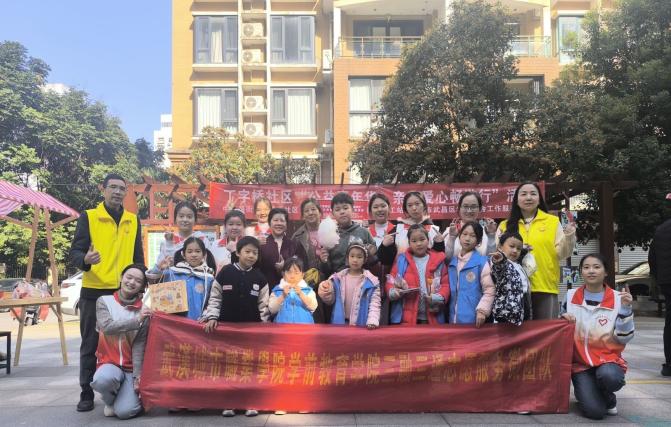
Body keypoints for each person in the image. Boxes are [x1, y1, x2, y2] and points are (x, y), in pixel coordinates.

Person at [69, 173, 144, 412]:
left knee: (130, 341)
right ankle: (86, 392)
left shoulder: (133, 219)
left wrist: (142, 283)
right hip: (95, 291)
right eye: (113, 187)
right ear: (103, 190)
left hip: (125, 293)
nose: (117, 192)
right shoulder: (89, 217)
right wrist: (86, 259)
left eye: (122, 188)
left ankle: (125, 387)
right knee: (91, 343)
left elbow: (138, 257)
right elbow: (75, 253)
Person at [200, 236, 269, 418]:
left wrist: (264, 327)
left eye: (255, 253)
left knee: (249, 367)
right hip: (226, 331)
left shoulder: (260, 278)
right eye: (247, 251)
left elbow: (264, 306)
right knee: (228, 366)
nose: (251, 256)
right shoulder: (225, 272)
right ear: (238, 252)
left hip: (251, 333)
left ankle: (250, 402)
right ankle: (229, 402)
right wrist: (212, 316)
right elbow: (215, 297)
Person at [561, 253, 635, 420]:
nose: (591, 271)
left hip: (608, 361)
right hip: (580, 364)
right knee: (595, 412)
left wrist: (626, 309)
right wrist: (563, 318)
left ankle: (607, 396)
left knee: (610, 377)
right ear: (581, 272)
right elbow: (560, 329)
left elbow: (624, 338)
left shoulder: (618, 299)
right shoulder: (570, 296)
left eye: (596, 267)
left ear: (606, 271)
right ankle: (593, 394)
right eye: (586, 267)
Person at [496, 182, 576, 319]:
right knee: (515, 331)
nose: (528, 197)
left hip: (544, 286)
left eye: (533, 194)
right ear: (516, 200)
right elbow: (499, 256)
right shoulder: (505, 226)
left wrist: (569, 236)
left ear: (539, 199)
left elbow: (562, 253)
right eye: (523, 194)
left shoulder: (552, 222)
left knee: (546, 330)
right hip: (512, 289)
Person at [91, 264, 151, 420]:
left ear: (142, 287)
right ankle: (110, 401)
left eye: (138, 281)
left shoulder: (144, 310)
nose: (132, 282)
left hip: (130, 369)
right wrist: (137, 320)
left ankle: (129, 398)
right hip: (108, 363)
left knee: (125, 412)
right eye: (129, 277)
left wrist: (138, 376)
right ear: (121, 278)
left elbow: (139, 346)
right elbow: (107, 327)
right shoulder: (104, 301)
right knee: (102, 380)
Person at [387, 224, 449, 325]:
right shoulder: (401, 260)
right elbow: (391, 280)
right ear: (409, 243)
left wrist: (438, 297)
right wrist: (393, 292)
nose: (419, 244)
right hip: (406, 318)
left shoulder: (439, 260)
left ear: (428, 240)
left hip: (433, 316)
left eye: (422, 239)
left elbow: (445, 284)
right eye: (414, 241)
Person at [150, 236, 217, 321]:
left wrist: (207, 315)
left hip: (197, 323)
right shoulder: (173, 272)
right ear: (183, 254)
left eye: (197, 251)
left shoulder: (209, 278)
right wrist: (158, 268)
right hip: (172, 323)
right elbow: (152, 281)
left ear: (204, 254)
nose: (194, 255)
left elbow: (213, 301)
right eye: (189, 251)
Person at [318, 243, 381, 328]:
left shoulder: (372, 282)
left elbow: (374, 304)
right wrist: (325, 290)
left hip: (361, 327)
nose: (355, 260)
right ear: (347, 258)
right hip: (339, 326)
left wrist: (372, 321)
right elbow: (330, 301)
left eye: (359, 257)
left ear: (364, 260)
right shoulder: (337, 279)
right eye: (352, 256)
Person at [447, 221, 495, 327]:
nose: (467, 238)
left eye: (473, 236)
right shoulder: (453, 263)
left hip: (474, 320)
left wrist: (482, 310)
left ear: (479, 241)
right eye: (464, 234)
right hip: (452, 319)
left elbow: (490, 290)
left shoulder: (481, 262)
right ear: (459, 236)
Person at [319, 192, 377, 276]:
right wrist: (324, 261)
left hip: (360, 279)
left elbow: (374, 260)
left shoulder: (364, 232)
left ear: (353, 209)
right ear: (333, 214)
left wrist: (370, 253)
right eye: (337, 209)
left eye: (345, 208)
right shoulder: (329, 234)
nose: (342, 212)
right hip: (337, 280)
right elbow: (326, 270)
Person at [292, 198, 328, 323]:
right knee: (313, 317)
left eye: (313, 209)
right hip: (308, 283)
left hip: (329, 278)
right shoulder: (297, 236)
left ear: (320, 212)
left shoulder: (331, 229)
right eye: (306, 211)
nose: (310, 213)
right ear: (302, 216)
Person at [489, 231, 536, 325]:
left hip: (522, 313)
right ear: (500, 247)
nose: (515, 251)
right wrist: (499, 261)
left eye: (518, 248)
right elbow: (498, 268)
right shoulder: (503, 263)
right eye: (511, 246)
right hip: (505, 316)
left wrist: (525, 250)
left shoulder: (518, 265)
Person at [151, 202, 210, 273]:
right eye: (181, 216)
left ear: (195, 220)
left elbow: (208, 263)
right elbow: (160, 266)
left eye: (189, 217)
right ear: (175, 219)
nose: (185, 220)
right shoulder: (168, 240)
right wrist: (169, 243)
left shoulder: (202, 239)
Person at [258, 208, 308, 289]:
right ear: (269, 223)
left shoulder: (295, 245)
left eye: (282, 220)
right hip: (266, 290)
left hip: (291, 291)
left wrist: (285, 268)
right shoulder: (262, 244)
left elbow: (304, 268)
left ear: (286, 224)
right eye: (275, 220)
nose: (279, 223)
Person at [445, 191, 497, 258]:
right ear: (459, 208)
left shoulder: (487, 232)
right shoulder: (449, 231)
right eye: (465, 206)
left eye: (473, 207)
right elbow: (445, 260)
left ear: (480, 209)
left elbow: (491, 259)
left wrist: (491, 236)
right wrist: (452, 238)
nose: (469, 211)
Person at [649, 215, 671, 376]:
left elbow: (652, 258)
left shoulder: (661, 229)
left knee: (669, 322)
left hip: (667, 281)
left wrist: (660, 279)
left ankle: (669, 364)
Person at [269, 256, 317, 324]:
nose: (292, 276)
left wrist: (301, 294)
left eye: (296, 273)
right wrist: (283, 296)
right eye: (289, 272)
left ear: (302, 275)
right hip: (281, 328)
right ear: (283, 274)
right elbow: (272, 309)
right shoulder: (277, 290)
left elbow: (313, 306)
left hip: (304, 328)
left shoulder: (308, 290)